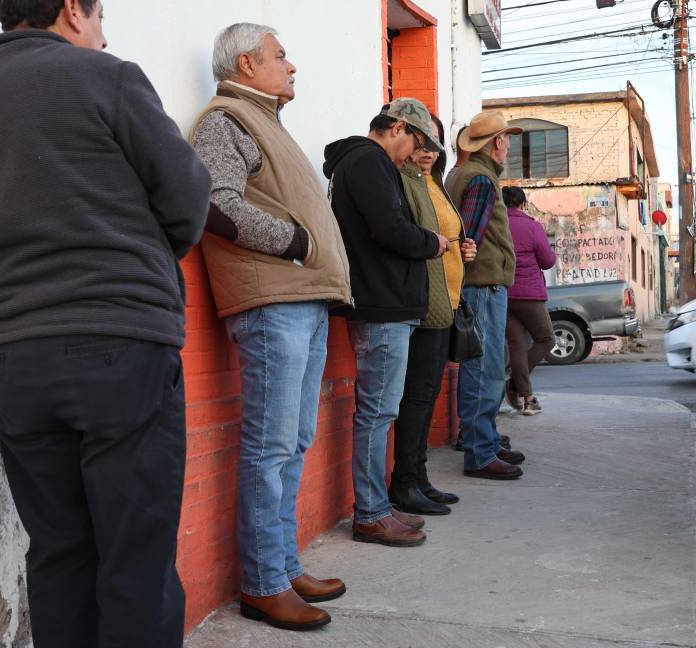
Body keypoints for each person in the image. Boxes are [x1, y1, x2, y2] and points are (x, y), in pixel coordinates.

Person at [0, 1, 211, 646]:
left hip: (18, 359)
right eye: (101, 15)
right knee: (136, 559)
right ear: (73, 9)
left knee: (58, 552)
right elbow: (187, 199)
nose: (105, 32)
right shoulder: (107, 77)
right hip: (123, 344)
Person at [189, 23, 351, 631]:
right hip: (272, 303)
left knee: (292, 442)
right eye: (282, 56)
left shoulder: (265, 122)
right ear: (248, 63)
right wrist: (298, 242)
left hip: (299, 301)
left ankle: (281, 566)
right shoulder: (225, 120)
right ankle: (262, 583)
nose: (292, 66)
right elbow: (217, 204)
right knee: (270, 447)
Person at [323, 98, 449, 546]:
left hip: (385, 303)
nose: (416, 152)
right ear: (397, 128)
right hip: (382, 306)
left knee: (380, 412)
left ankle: (376, 506)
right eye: (415, 140)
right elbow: (390, 229)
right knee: (377, 414)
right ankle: (371, 512)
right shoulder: (368, 161)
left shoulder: (363, 162)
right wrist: (433, 242)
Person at [391, 114, 475, 516]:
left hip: (448, 298)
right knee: (416, 396)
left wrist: (464, 248)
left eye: (434, 144)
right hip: (424, 301)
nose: (428, 151)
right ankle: (405, 482)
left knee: (427, 394)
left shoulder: (434, 184)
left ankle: (419, 477)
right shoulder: (402, 180)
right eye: (421, 143)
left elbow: (447, 235)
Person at [447, 110, 527, 480]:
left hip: (482, 286)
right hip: (481, 288)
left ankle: (486, 442)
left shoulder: (468, 173)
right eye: (506, 139)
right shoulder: (480, 178)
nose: (508, 145)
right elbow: (470, 238)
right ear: (497, 142)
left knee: (486, 369)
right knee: (485, 371)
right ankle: (480, 452)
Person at [502, 187, 557, 416]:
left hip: (504, 293)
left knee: (517, 345)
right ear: (523, 203)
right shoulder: (532, 226)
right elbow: (548, 260)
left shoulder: (497, 224)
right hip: (529, 295)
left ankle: (528, 400)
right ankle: (515, 386)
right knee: (546, 339)